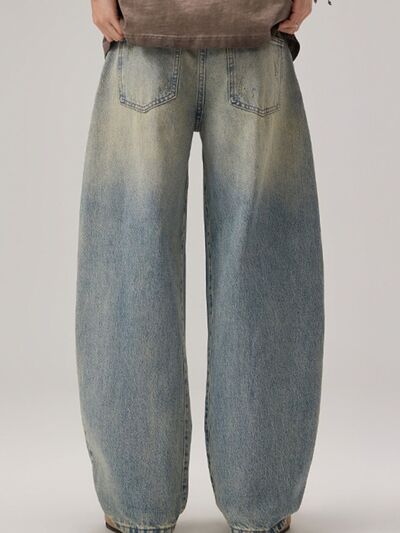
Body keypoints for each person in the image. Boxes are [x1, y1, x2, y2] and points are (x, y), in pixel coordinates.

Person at [75, 1, 328, 532]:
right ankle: (260, 505)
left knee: (130, 276)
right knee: (264, 275)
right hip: (253, 26)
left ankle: (137, 504)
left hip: (145, 28)